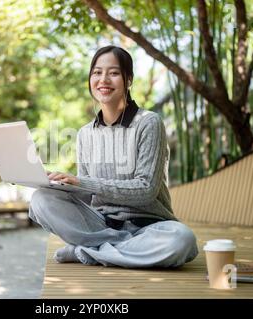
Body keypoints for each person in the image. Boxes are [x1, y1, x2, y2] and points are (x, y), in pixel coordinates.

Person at [28, 45, 198, 268]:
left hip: (149, 226)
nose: (103, 80)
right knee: (41, 199)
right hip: (101, 225)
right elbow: (88, 195)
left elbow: (146, 190)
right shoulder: (85, 133)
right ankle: (114, 249)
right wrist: (59, 184)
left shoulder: (148, 123)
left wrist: (82, 181)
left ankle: (88, 251)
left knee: (182, 240)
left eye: (114, 73)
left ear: (128, 80)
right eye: (97, 72)